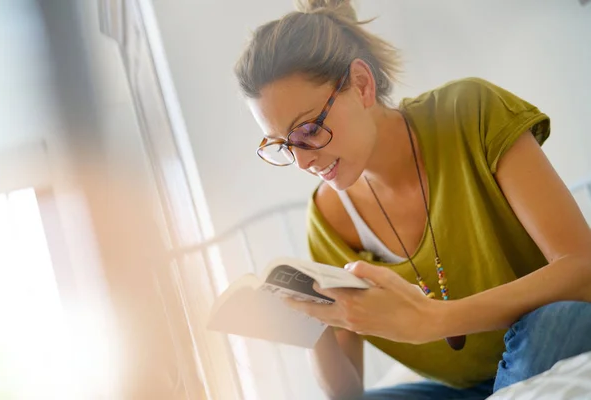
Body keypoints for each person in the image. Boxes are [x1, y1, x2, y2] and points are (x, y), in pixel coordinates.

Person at [233, 0, 591, 398]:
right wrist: (308, 327)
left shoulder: (469, 112)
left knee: (553, 324)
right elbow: (346, 393)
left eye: (309, 130)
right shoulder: (329, 218)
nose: (301, 161)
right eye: (282, 145)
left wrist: (434, 320)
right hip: (460, 390)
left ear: (362, 84)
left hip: (549, 339)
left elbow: (582, 268)